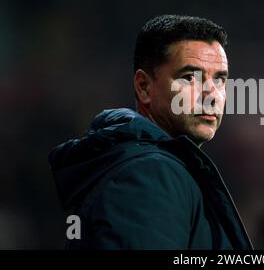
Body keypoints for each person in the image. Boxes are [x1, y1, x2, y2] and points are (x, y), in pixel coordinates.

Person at [48, 15, 253, 250]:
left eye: (220, 80)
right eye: (189, 78)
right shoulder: (151, 173)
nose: (212, 95)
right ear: (144, 87)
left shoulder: (151, 166)